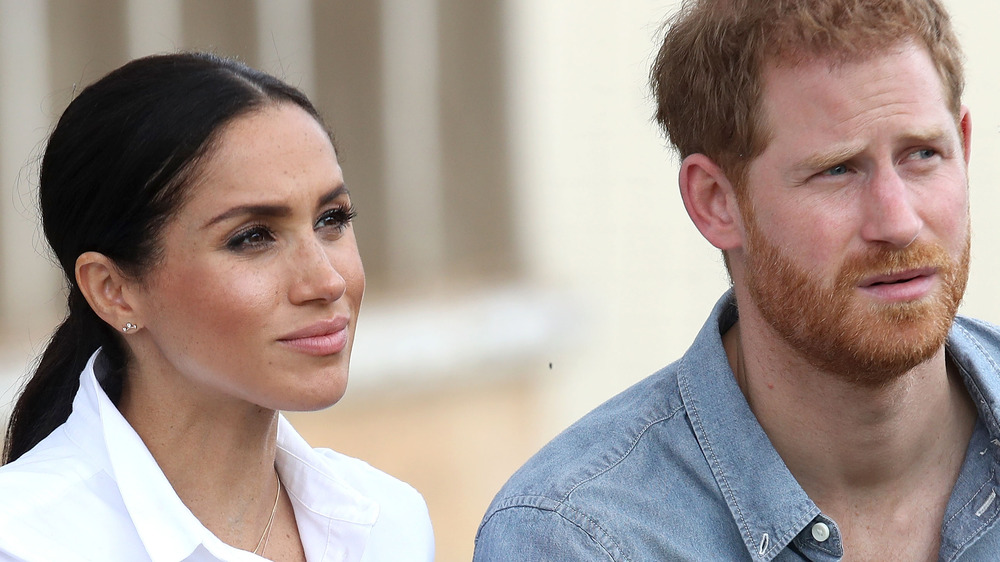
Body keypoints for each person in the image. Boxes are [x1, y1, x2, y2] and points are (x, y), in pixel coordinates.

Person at [475, 0, 1000, 559]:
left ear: (963, 149)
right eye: (838, 170)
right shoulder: (580, 539)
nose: (897, 221)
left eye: (923, 154)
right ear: (716, 202)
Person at [0, 53, 434, 561]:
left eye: (331, 218)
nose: (327, 280)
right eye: (252, 237)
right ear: (112, 289)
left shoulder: (387, 525)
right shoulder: (24, 543)